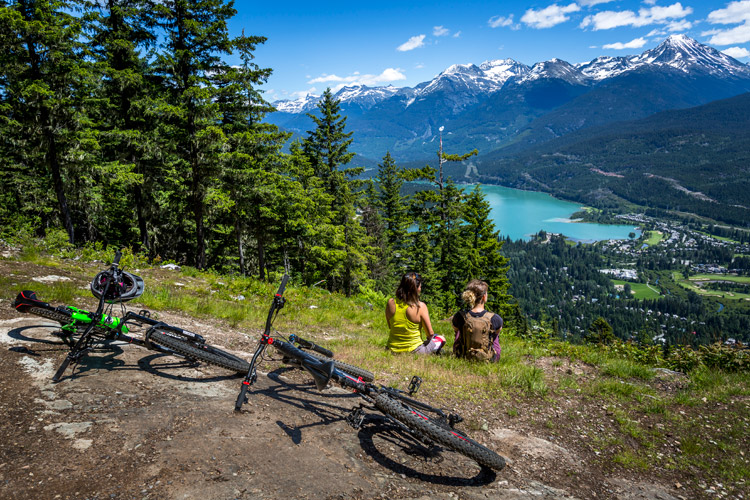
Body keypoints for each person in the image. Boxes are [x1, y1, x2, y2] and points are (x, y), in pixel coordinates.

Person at [385, 272, 445, 354]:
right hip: (414, 351)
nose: (420, 289)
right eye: (420, 286)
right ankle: (433, 351)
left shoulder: (390, 302)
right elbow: (430, 334)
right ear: (415, 289)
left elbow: (390, 326)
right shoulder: (420, 306)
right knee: (441, 339)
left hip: (391, 348)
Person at [452, 279, 503, 362]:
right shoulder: (494, 318)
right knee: (495, 336)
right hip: (488, 359)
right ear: (483, 297)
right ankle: (492, 357)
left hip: (463, 356)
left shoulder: (460, 316)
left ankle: (459, 352)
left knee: (458, 332)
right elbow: (498, 330)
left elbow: (455, 328)